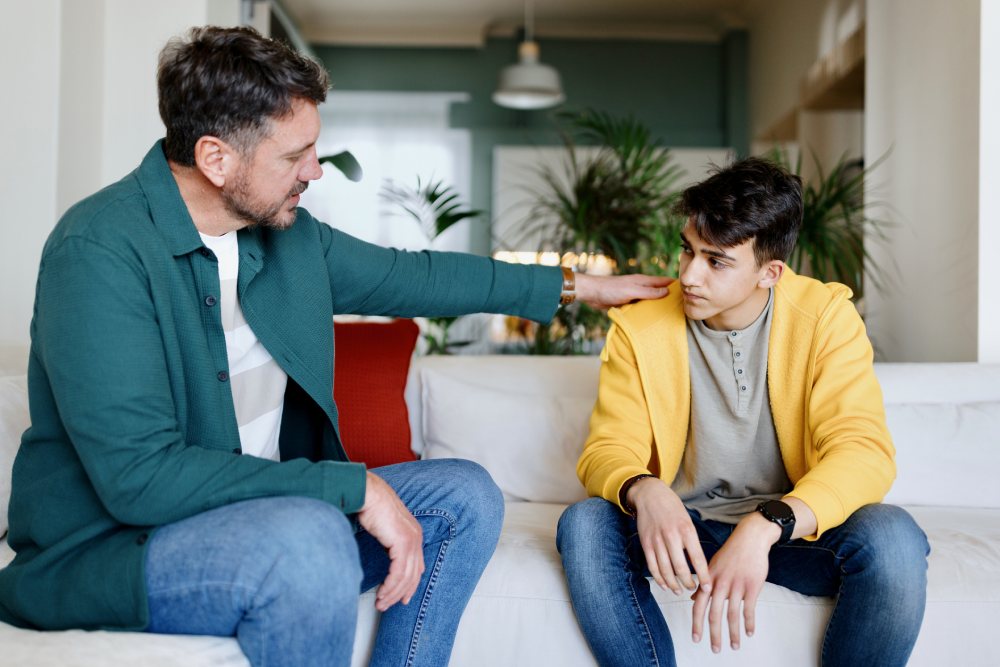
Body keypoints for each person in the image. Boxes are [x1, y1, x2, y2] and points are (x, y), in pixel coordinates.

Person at [0, 26, 670, 667]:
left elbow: (415, 275)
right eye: (295, 155)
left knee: (465, 494)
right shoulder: (99, 251)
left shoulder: (286, 237)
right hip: (115, 549)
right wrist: (351, 488)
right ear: (215, 157)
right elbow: (141, 480)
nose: (316, 171)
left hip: (266, 515)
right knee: (310, 540)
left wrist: (580, 286)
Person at [557, 157, 929, 666]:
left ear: (769, 272)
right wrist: (644, 490)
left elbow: (863, 453)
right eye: (687, 250)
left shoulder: (825, 318)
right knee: (584, 523)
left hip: (790, 532)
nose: (689, 274)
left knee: (893, 538)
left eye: (717, 261)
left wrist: (767, 523)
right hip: (685, 533)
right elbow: (606, 449)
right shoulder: (639, 327)